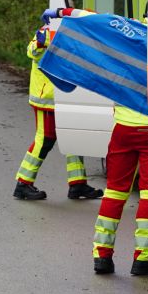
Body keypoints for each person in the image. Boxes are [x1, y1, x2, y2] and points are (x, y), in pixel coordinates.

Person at [42, 0, 148, 276]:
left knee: (115, 191)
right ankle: (144, 258)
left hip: (122, 129)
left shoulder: (126, 30)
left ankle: (102, 255)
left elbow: (93, 18)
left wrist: (60, 12)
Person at [12, 24, 102, 201]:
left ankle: (77, 184)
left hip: (65, 98)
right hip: (46, 99)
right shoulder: (47, 31)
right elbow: (32, 52)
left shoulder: (73, 31)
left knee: (73, 138)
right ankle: (23, 183)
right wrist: (42, 42)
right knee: (45, 139)